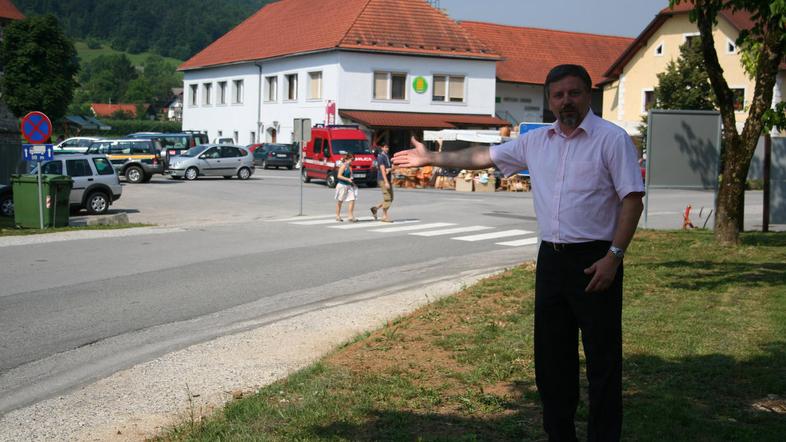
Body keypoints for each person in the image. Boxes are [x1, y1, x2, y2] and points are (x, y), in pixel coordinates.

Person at [393, 64, 644, 441]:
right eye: (558, 95)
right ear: (549, 101)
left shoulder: (611, 139)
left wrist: (614, 257)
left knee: (602, 363)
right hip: (553, 261)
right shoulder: (536, 142)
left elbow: (632, 200)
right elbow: (483, 158)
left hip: (597, 260)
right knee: (551, 363)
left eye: (573, 93)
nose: (566, 102)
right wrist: (432, 158)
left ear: (588, 95)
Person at [370, 142, 393, 223]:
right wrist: (386, 182)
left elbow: (388, 168)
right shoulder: (381, 157)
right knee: (387, 198)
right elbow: (382, 170)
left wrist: (390, 169)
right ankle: (384, 216)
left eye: (388, 147)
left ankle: (375, 208)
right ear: (382, 148)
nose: (387, 149)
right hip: (383, 180)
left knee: (391, 198)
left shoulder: (387, 156)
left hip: (388, 179)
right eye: (385, 147)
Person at [335, 153, 358, 222]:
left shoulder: (349, 166)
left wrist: (353, 183)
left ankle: (350, 216)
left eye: (353, 159)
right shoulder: (343, 166)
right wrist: (347, 179)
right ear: (348, 159)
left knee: (352, 199)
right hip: (342, 185)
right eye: (352, 159)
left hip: (349, 185)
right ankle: (337, 216)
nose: (353, 161)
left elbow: (350, 177)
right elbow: (339, 176)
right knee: (340, 200)